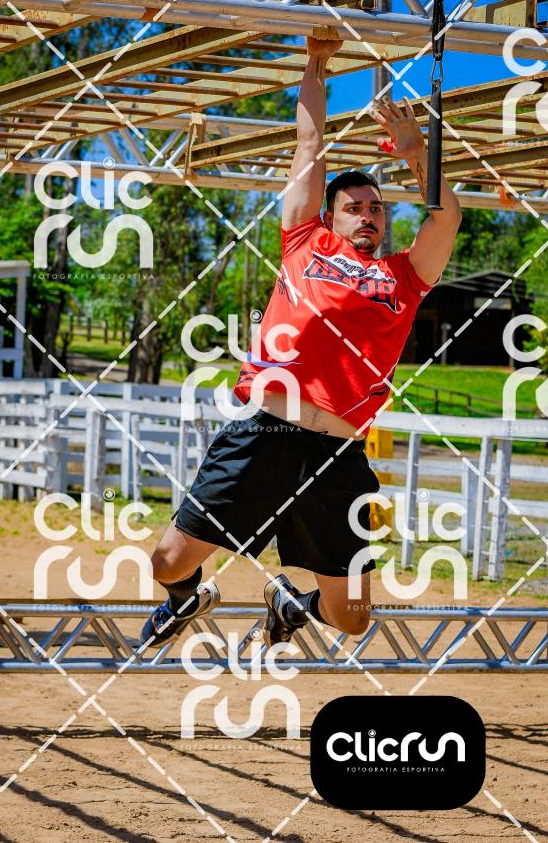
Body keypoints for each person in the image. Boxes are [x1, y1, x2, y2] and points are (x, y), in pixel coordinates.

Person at [141, 36, 462, 650]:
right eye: (355, 207)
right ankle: (187, 600)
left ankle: (294, 602)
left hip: (338, 454)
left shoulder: (404, 278)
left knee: (352, 617)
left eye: (377, 209)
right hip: (265, 433)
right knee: (167, 562)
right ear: (331, 216)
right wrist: (316, 61)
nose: (368, 215)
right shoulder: (303, 242)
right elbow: (309, 144)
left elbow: (446, 218)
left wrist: (417, 148)